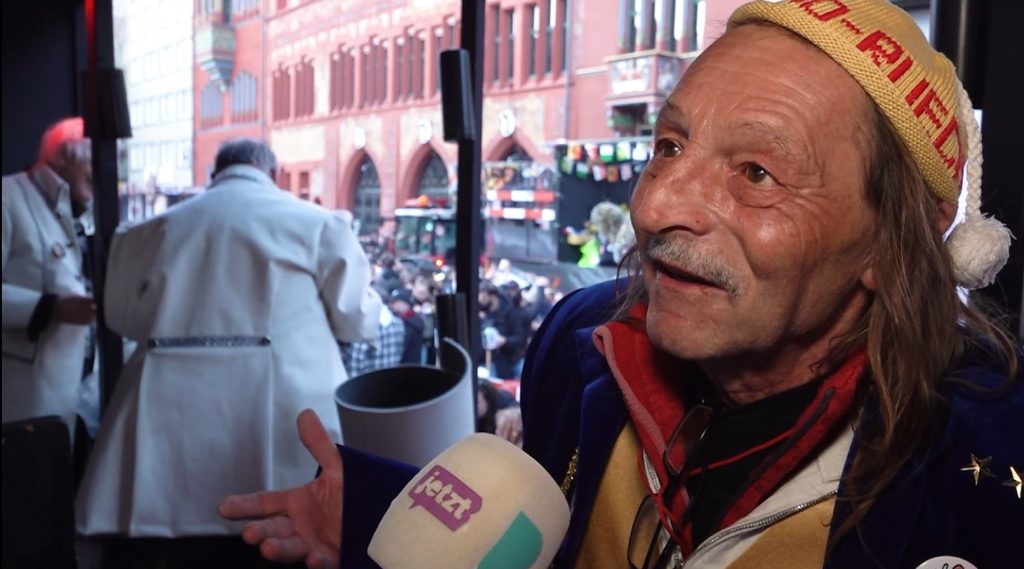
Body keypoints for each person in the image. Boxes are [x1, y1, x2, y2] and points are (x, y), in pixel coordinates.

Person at [219, 2, 1022, 568]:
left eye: (757, 171)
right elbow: (530, 531)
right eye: (670, 145)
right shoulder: (581, 347)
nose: (656, 203)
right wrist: (371, 513)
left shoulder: (986, 471)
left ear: (890, 244)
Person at [76, 138, 382, 567]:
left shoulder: (148, 231)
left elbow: (121, 318)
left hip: (164, 434)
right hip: (280, 433)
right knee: (276, 542)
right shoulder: (317, 225)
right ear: (272, 175)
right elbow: (359, 322)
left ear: (214, 174)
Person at [2, 117, 98, 447]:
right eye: (92, 157)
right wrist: (51, 308)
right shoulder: (8, 197)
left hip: (80, 399)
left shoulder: (84, 213)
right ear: (63, 157)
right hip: (23, 400)